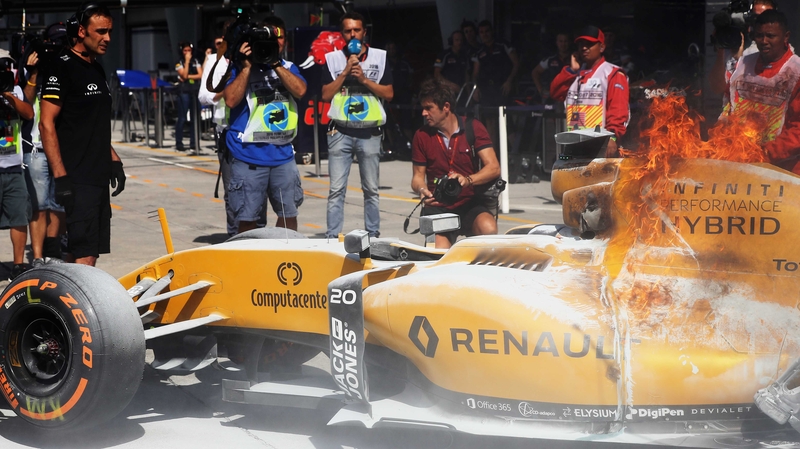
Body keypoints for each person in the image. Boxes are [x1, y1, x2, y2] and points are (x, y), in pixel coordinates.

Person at [40, 3, 126, 267]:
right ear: (80, 31)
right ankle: (77, 296)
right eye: (100, 31)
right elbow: (46, 124)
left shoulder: (96, 68)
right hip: (77, 177)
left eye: (110, 32)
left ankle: (62, 291)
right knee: (86, 254)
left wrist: (113, 159)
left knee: (86, 250)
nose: (107, 38)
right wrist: (61, 178)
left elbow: (93, 123)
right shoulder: (61, 67)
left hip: (97, 175)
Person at [223, 15, 306, 233]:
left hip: (282, 155)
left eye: (279, 37)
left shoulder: (288, 67)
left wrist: (275, 63)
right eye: (268, 36)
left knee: (288, 216)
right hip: (247, 155)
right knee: (247, 219)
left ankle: (283, 253)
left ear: (285, 41)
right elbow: (230, 100)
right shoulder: (240, 67)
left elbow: (300, 90)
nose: (274, 41)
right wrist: (246, 68)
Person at [321, 11, 394, 239]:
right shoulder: (333, 58)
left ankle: (373, 235)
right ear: (341, 34)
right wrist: (345, 72)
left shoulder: (379, 57)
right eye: (348, 31)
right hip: (340, 132)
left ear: (364, 32)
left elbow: (389, 93)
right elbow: (325, 95)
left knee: (371, 189)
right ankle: (332, 237)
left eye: (357, 30)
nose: (353, 34)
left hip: (369, 132)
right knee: (336, 190)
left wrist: (363, 80)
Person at [411, 78, 500, 249]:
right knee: (439, 254)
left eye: (429, 108)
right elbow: (417, 177)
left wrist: (468, 180)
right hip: (438, 206)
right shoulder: (421, 135)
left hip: (469, 202)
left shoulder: (473, 127)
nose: (423, 113)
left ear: (446, 107)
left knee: (488, 229)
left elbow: (493, 167)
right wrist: (422, 191)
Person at [722, 9, 800, 174]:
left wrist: (764, 152)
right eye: (759, 36)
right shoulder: (743, 65)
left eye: (771, 36)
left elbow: (798, 130)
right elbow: (728, 109)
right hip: (739, 160)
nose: (764, 41)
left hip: (783, 169)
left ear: (786, 37)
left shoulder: (796, 72)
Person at [21, 22, 68, 266]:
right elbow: (25, 107)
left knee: (59, 203)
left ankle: (53, 252)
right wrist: (33, 74)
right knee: (38, 206)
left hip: (60, 148)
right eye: (53, 43)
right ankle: (38, 257)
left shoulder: (68, 67)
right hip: (36, 149)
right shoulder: (32, 70)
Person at [550, 25, 630, 157]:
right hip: (574, 145)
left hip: (601, 145)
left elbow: (619, 111)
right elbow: (555, 92)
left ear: (602, 47)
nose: (584, 48)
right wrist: (571, 70)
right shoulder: (574, 74)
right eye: (581, 44)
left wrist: (613, 137)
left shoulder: (612, 73)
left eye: (589, 44)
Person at [0, 51, 34, 279]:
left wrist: (8, 95)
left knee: (19, 217)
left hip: (13, 166)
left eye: (6, 67)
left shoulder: (16, 91)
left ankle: (18, 264)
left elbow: (29, 113)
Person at [710, 0, 777, 96]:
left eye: (767, 18)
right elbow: (717, 88)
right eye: (756, 17)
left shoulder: (780, 51)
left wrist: (739, 61)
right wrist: (720, 48)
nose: (761, 23)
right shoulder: (735, 41)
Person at [472, 21, 519, 107]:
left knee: (505, 113)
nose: (484, 34)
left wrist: (509, 81)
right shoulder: (478, 51)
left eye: (487, 31)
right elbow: (475, 74)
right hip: (486, 89)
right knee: (487, 114)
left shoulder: (503, 45)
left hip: (503, 87)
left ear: (492, 31)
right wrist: (475, 88)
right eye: (481, 32)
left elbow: (516, 64)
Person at [175, 41, 203, 151]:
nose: (187, 52)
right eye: (185, 50)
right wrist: (186, 62)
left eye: (189, 50)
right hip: (184, 92)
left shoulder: (196, 61)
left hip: (195, 91)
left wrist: (188, 76)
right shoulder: (179, 62)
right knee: (182, 118)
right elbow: (183, 74)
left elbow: (200, 74)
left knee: (195, 118)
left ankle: (194, 143)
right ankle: (179, 143)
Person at [532, 31, 571, 103]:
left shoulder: (576, 58)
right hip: (553, 96)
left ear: (569, 43)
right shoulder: (550, 59)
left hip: (570, 95)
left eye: (565, 41)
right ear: (557, 43)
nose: (563, 44)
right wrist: (541, 90)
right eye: (561, 41)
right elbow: (535, 72)